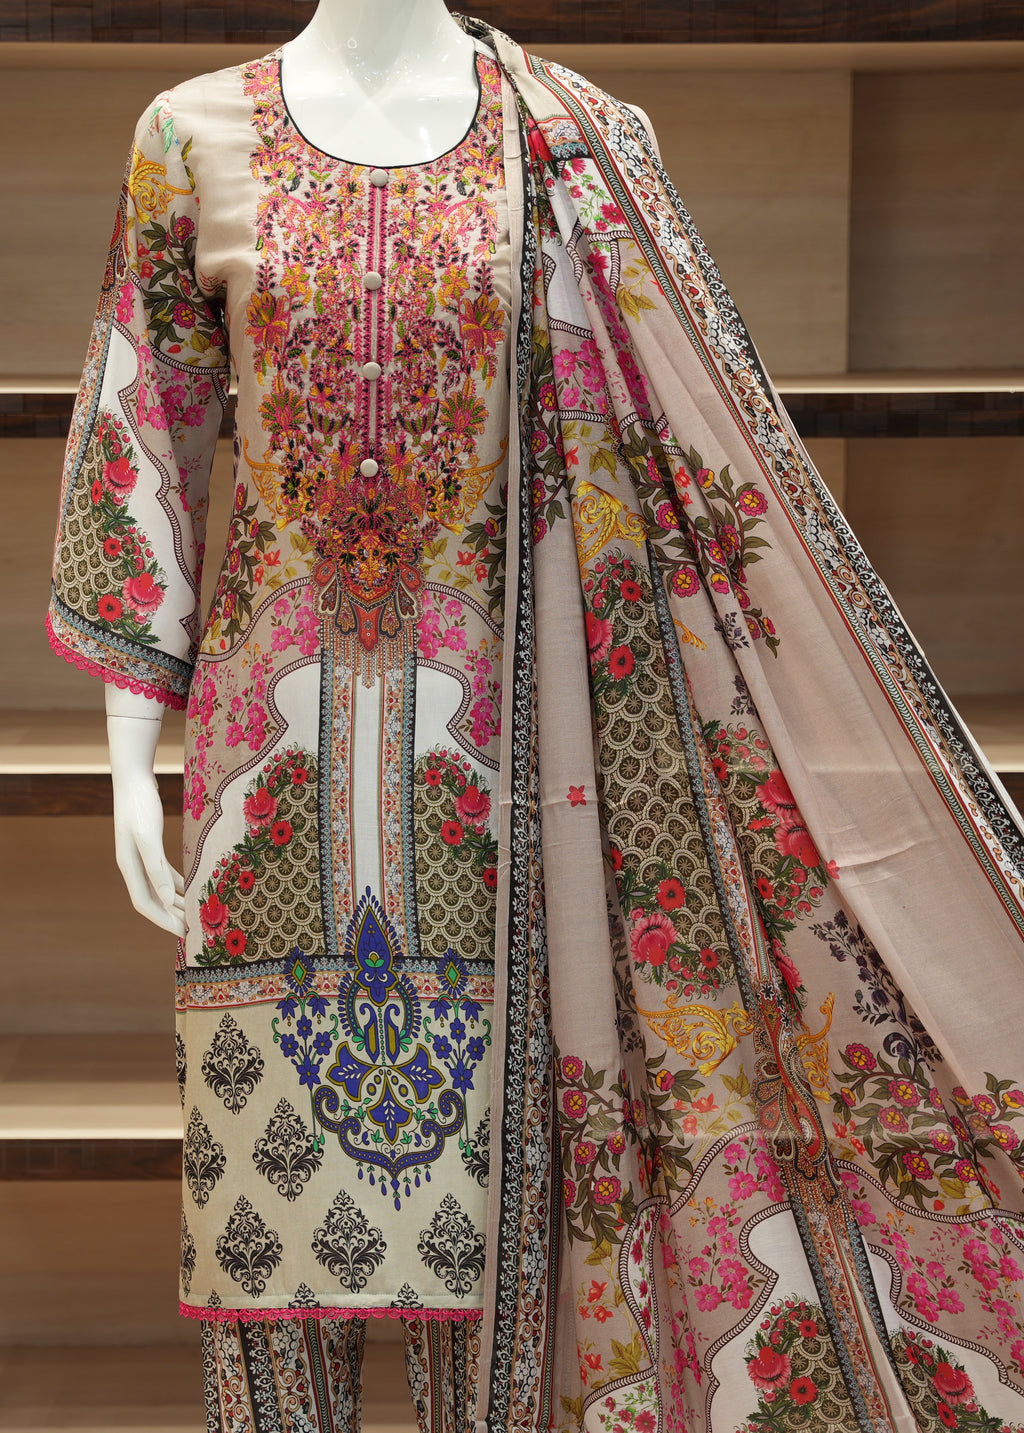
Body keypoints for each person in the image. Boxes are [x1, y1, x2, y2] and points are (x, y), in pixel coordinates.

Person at [47, 3, 1024, 1431]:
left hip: (509, 792)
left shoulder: (577, 140)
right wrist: (136, 755)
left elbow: (693, 454)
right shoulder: (185, 138)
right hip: (266, 794)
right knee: (266, 1280)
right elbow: (149, 430)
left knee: (506, 1265)